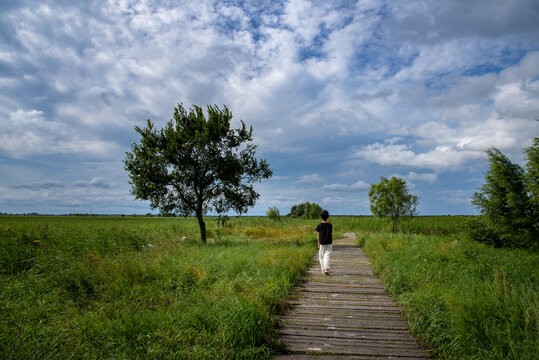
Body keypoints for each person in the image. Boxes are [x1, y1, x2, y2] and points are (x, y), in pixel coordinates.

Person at [316, 209, 332, 275]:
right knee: (327, 255)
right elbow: (331, 234)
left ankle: (323, 269)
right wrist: (332, 241)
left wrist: (318, 242)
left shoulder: (319, 225)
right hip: (329, 242)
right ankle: (326, 268)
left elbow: (318, 234)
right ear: (327, 217)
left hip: (322, 242)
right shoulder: (330, 225)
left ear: (321, 217)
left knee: (321, 256)